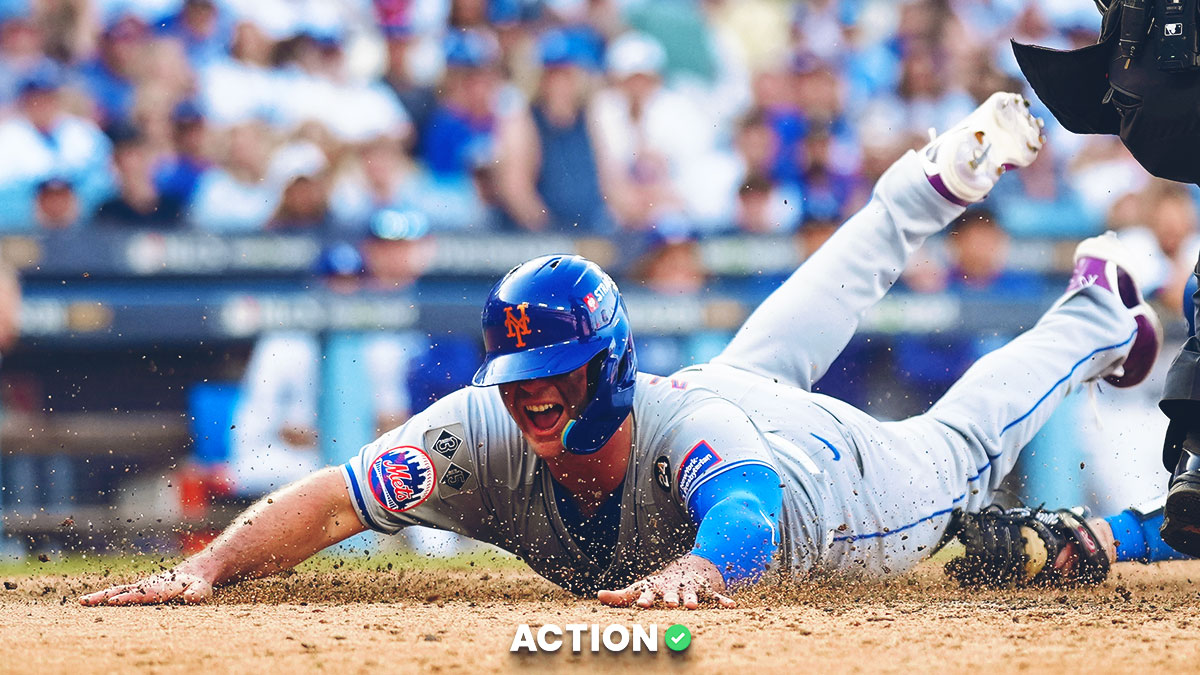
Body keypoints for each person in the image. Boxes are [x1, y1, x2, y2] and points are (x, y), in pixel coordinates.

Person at [80, 93, 1173, 608]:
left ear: (602, 374)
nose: (528, 407)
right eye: (515, 386)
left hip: (821, 481)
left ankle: (1095, 311)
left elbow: (742, 507)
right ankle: (931, 181)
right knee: (817, 295)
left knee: (954, 451)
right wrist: (206, 567)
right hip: (724, 392)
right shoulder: (481, 431)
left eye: (550, 384)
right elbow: (334, 496)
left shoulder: (678, 434)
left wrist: (700, 572)